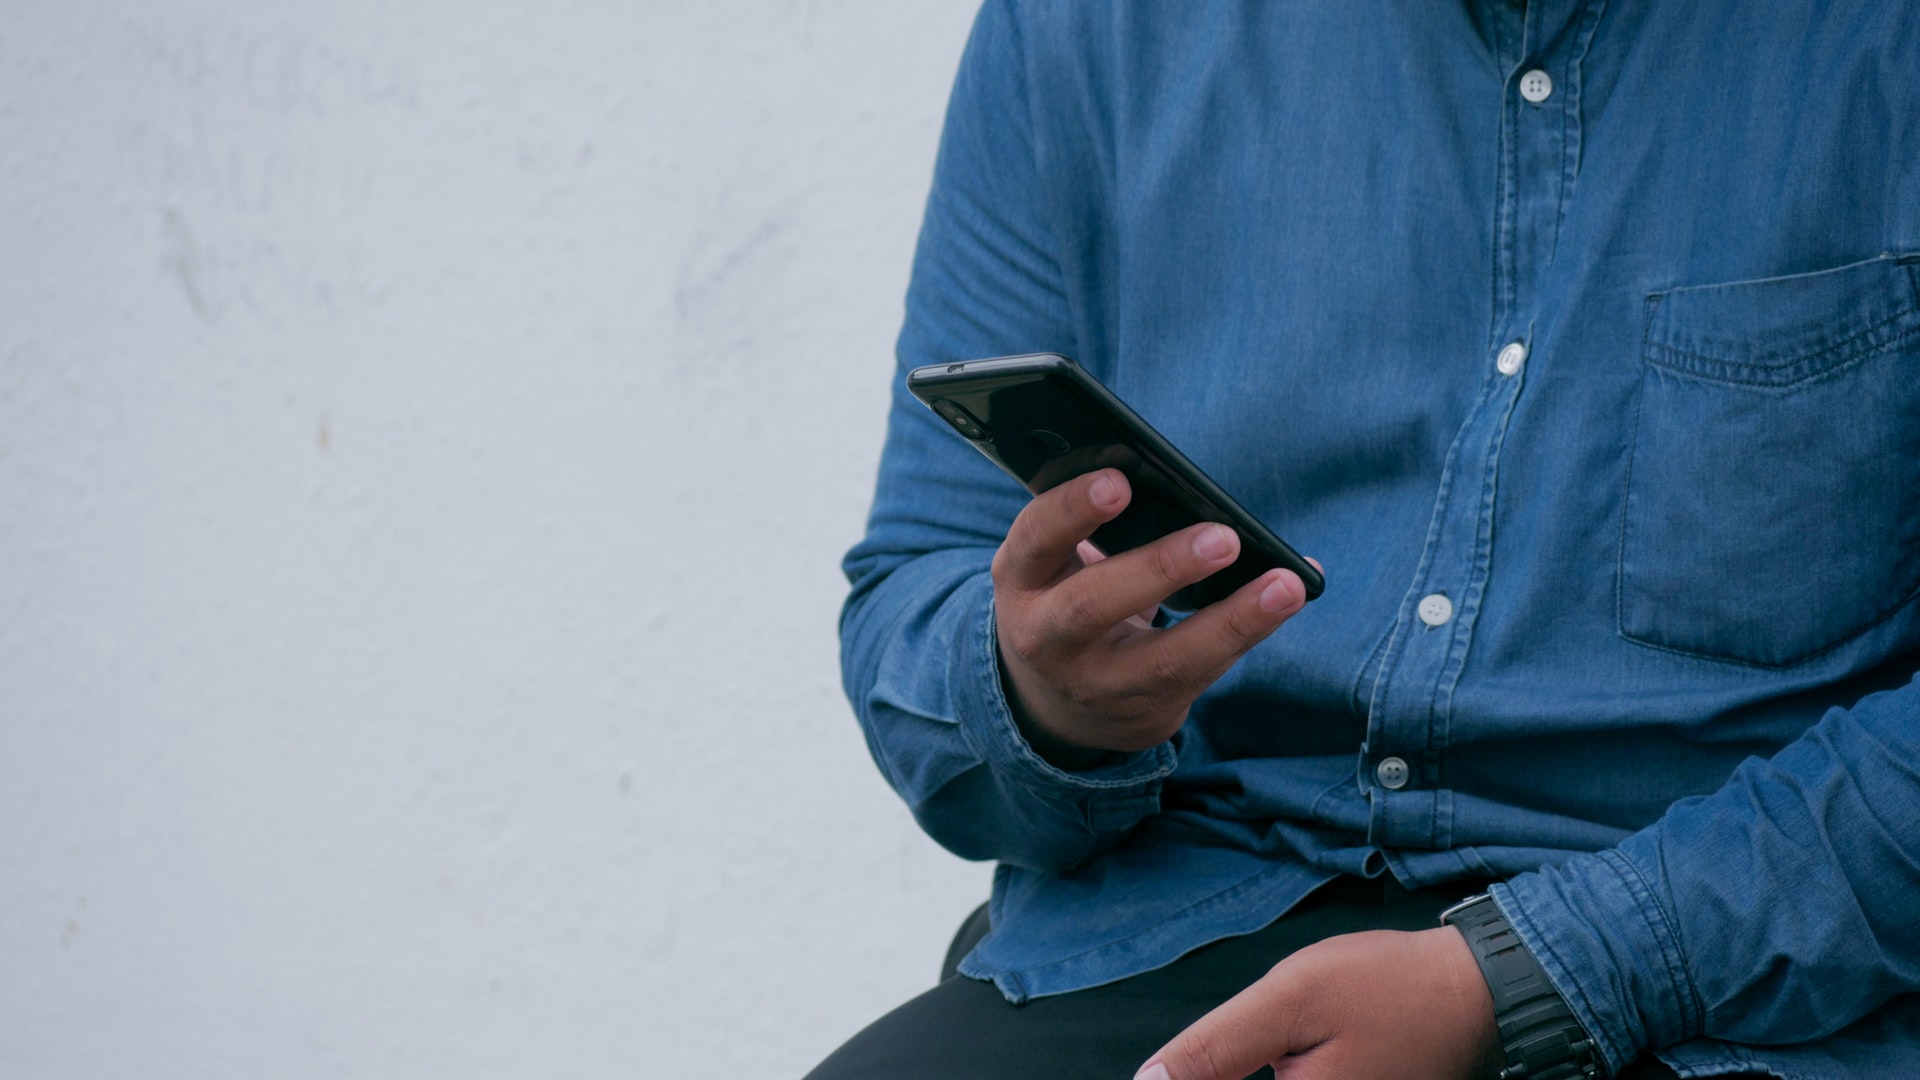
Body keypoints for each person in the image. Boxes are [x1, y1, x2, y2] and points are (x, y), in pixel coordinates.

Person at [810, 3, 1920, 1078]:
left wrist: (1540, 973)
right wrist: (1042, 696)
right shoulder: (1086, 29)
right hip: (1194, 919)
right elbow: (919, 575)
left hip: (1736, 979)